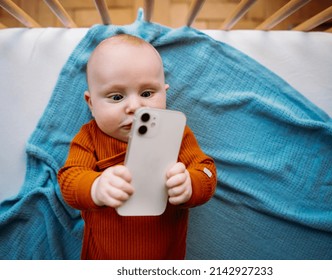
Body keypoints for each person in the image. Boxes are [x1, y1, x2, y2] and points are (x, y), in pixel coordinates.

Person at [57, 34, 217, 260]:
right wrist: (96, 187)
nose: (135, 106)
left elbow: (207, 170)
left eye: (147, 93)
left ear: (165, 92)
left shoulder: (176, 133)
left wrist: (191, 184)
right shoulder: (90, 137)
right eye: (116, 97)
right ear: (91, 103)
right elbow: (69, 179)